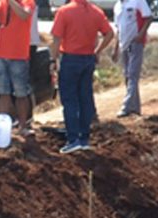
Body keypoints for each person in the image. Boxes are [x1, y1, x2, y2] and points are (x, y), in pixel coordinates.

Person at [49, 0, 115, 154]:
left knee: (70, 99)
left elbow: (56, 39)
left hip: (70, 59)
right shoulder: (96, 11)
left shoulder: (64, 11)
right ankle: (84, 138)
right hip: (87, 58)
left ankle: (73, 139)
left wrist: (53, 60)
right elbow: (110, 33)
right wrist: (97, 51)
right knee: (85, 97)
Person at [0, 0, 36, 136]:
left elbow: (24, 15)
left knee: (21, 93)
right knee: (2, 92)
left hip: (19, 55)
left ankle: (22, 126)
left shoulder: (28, 2)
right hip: (1, 53)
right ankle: (3, 128)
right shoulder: (2, 3)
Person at [112, 0, 152, 118]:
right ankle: (135, 106)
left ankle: (127, 106)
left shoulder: (138, 2)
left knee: (132, 74)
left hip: (135, 43)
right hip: (123, 44)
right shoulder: (117, 6)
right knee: (127, 76)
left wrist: (141, 34)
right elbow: (118, 28)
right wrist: (115, 48)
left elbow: (148, 18)